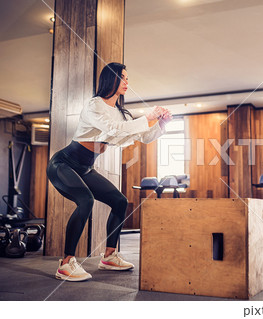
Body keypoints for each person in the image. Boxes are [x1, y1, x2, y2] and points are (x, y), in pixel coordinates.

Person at [46, 62, 172, 281]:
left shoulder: (121, 114)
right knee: (85, 200)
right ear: (111, 79)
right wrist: (149, 117)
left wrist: (161, 125)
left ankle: (109, 256)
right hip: (63, 164)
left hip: (85, 168)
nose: (126, 82)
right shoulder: (94, 106)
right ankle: (65, 263)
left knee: (120, 201)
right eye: (123, 77)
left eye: (127, 78)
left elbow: (141, 136)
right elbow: (113, 130)